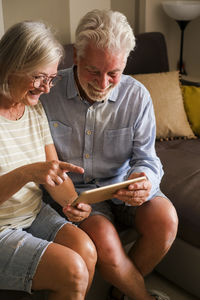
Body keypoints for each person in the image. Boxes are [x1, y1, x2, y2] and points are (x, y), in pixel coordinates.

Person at [41, 9, 178, 300]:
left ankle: (120, 293)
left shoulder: (137, 95)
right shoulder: (47, 94)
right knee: (104, 237)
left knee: (166, 219)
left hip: (123, 187)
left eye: (113, 73)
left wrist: (145, 181)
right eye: (93, 70)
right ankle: (142, 297)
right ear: (75, 57)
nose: (102, 83)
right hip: (79, 198)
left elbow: (147, 158)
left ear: (125, 64)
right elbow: (40, 162)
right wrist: (65, 199)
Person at [0, 21, 97, 300]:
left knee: (87, 251)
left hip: (32, 213)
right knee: (73, 270)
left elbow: (54, 174)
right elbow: (35, 172)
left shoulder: (34, 110)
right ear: (12, 65)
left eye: (52, 79)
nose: (47, 88)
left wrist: (72, 203)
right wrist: (27, 173)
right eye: (40, 77)